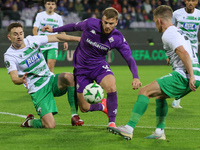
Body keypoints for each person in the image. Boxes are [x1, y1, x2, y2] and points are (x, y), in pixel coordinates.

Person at [107, 5, 200, 140]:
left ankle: (129, 128)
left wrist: (190, 75)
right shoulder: (178, 31)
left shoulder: (168, 33)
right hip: (196, 76)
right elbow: (185, 50)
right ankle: (159, 132)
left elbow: (183, 52)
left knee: (144, 91)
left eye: (154, 20)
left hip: (185, 76)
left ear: (159, 21)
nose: (155, 23)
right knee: (160, 97)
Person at [43, 7, 142, 128]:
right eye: (105, 22)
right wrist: (54, 29)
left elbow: (129, 58)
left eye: (111, 24)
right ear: (102, 20)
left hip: (99, 66)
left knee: (111, 86)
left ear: (116, 22)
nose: (107, 26)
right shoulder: (90, 24)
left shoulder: (118, 38)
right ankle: (102, 106)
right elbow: (73, 26)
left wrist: (135, 77)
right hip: (81, 69)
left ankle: (112, 123)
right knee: (84, 108)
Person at [4, 22, 84, 128]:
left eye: (20, 33)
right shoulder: (9, 55)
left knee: (70, 77)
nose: (19, 36)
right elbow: (14, 78)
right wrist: (21, 80)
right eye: (15, 34)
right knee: (50, 125)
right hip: (37, 89)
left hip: (50, 79)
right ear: (9, 37)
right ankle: (29, 122)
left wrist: (79, 39)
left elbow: (56, 37)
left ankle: (74, 115)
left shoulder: (32, 40)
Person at [171, 0, 200, 108]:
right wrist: (169, 53)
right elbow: (171, 31)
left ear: (197, 2)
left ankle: (176, 97)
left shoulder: (199, 14)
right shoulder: (176, 14)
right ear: (185, 1)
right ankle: (174, 99)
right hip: (179, 49)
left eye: (193, 0)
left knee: (196, 79)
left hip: (193, 51)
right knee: (180, 76)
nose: (190, 2)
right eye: (188, 0)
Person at [32, 0, 68, 73]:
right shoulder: (40, 15)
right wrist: (36, 40)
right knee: (41, 67)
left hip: (53, 45)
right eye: (48, 4)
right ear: (45, 6)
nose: (51, 6)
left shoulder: (58, 17)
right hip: (41, 45)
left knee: (51, 65)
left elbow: (62, 30)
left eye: (52, 4)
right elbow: (35, 29)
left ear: (55, 6)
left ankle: (50, 83)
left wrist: (65, 41)